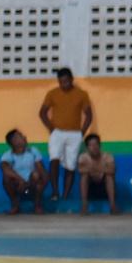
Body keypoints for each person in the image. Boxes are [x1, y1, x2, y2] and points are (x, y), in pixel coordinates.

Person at [39, 67, 93, 203]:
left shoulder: (82, 94)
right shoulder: (52, 93)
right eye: (61, 82)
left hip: (75, 134)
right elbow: (42, 113)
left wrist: (82, 132)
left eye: (66, 81)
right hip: (57, 133)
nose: (63, 85)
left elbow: (89, 115)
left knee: (70, 166)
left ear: (72, 80)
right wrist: (51, 129)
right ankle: (55, 192)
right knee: (54, 160)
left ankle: (65, 196)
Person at [0, 129, 48, 214]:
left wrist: (43, 182)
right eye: (20, 136)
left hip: (31, 186)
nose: (24, 137)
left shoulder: (33, 151)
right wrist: (21, 180)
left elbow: (41, 169)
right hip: (18, 186)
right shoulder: (7, 155)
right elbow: (5, 169)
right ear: (14, 142)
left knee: (37, 175)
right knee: (6, 177)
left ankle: (37, 205)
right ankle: (15, 205)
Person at [76, 133, 118, 215]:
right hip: (90, 186)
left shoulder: (107, 156)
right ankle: (84, 206)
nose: (94, 147)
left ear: (100, 145)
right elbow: (81, 170)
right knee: (84, 176)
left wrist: (92, 168)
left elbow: (112, 170)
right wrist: (102, 168)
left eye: (96, 144)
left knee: (109, 177)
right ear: (87, 147)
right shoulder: (83, 157)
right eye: (91, 145)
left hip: (104, 186)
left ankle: (113, 206)